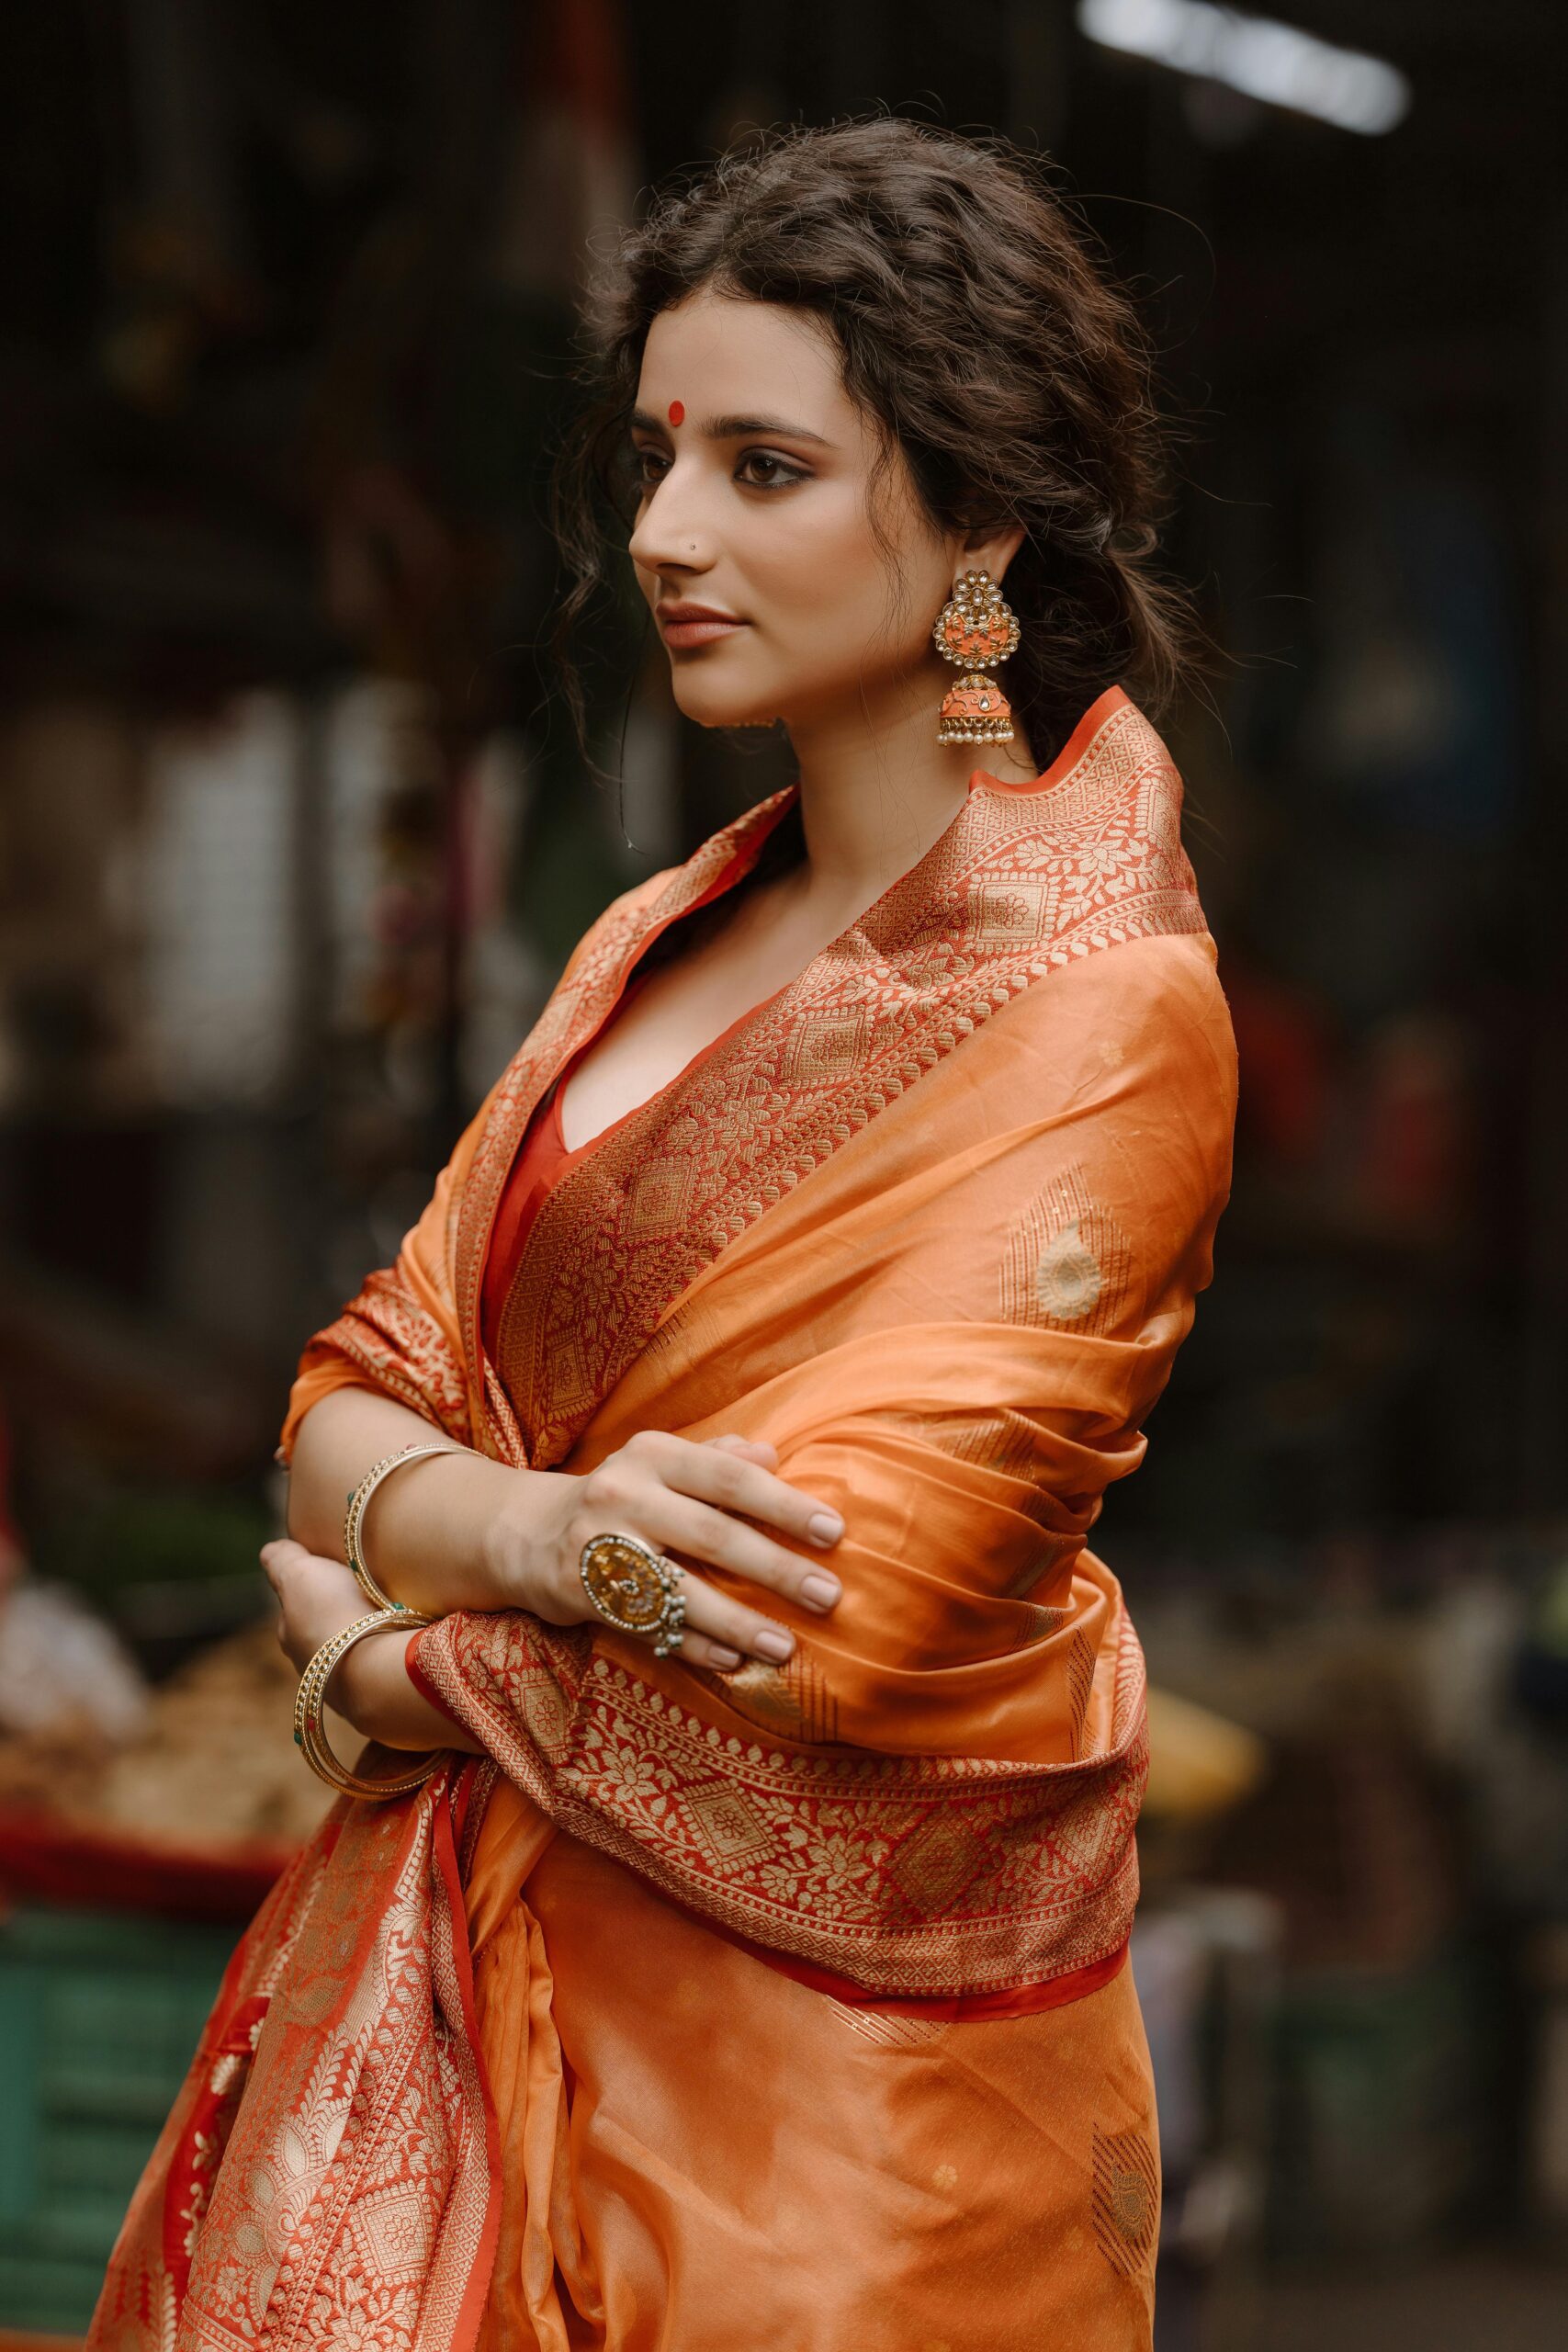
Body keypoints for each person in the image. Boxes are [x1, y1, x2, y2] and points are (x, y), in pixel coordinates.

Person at [90, 119, 1236, 2352]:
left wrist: (375, 1646)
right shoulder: (656, 926)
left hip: (821, 2167)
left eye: (763, 470)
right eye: (654, 456)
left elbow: (828, 1607)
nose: (663, 534)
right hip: (451, 2002)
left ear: (981, 515)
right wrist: (522, 1537)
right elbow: (351, 1382)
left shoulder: (1104, 1006)